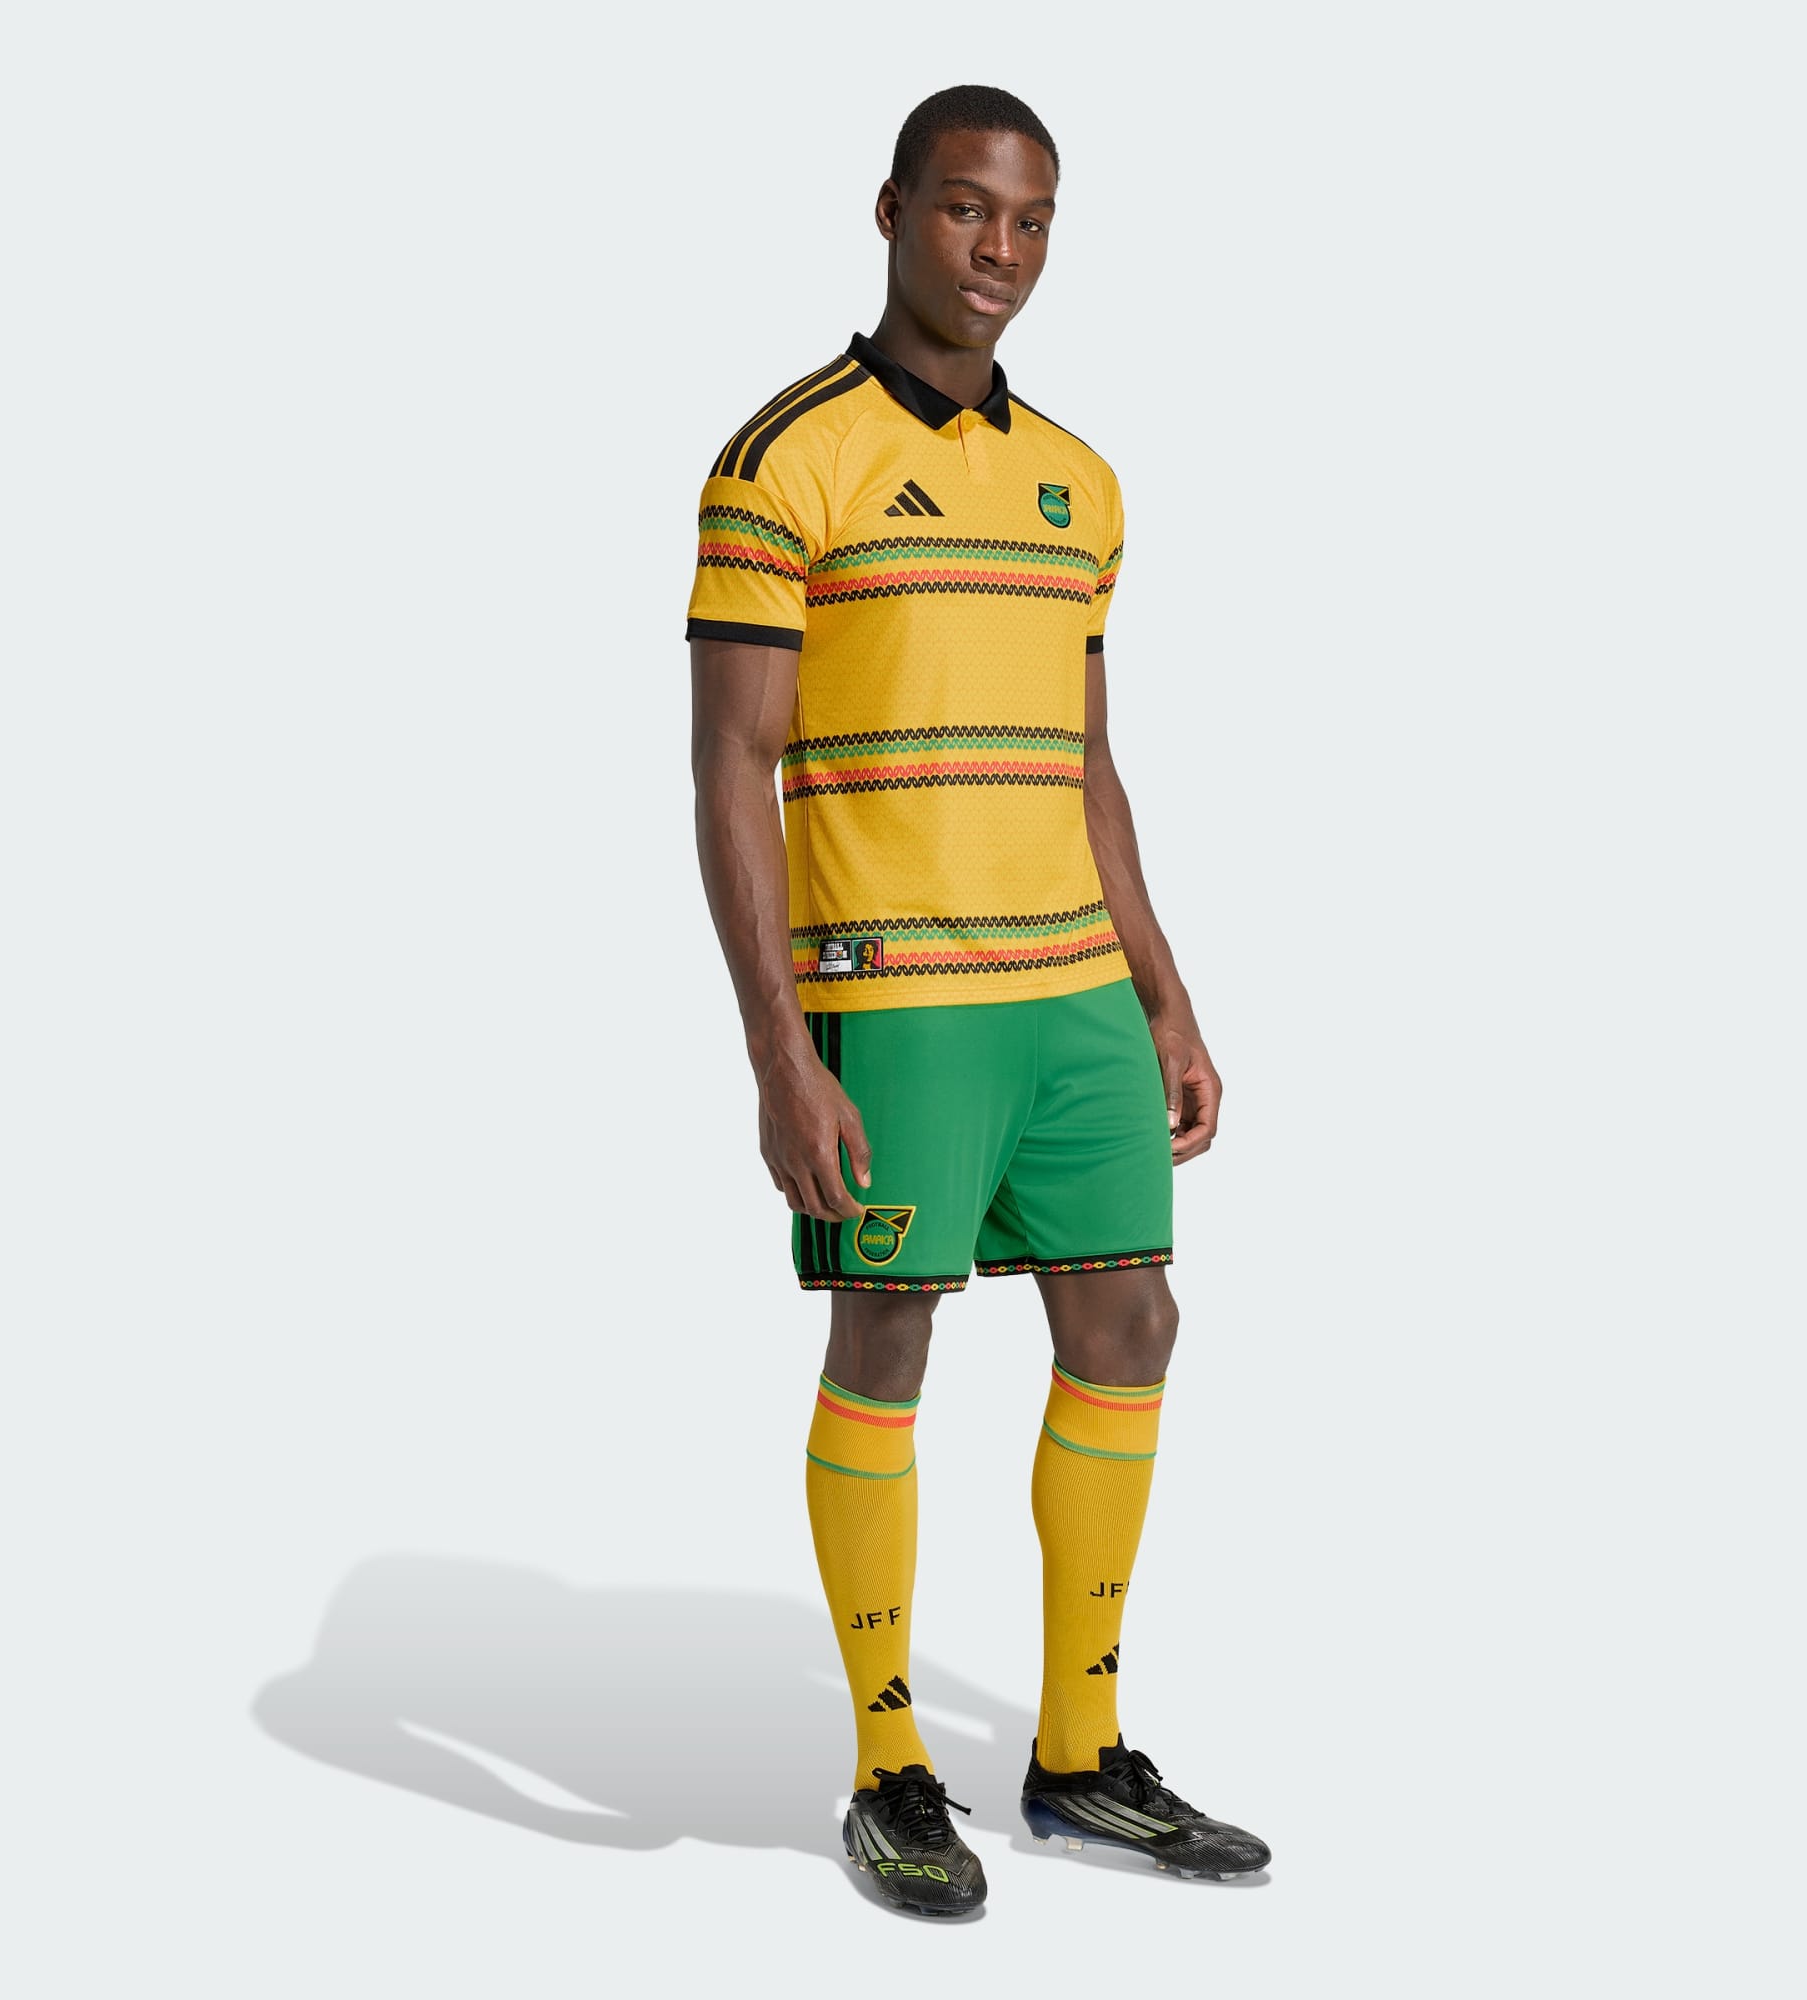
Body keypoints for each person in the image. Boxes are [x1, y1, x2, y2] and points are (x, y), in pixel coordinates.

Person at [686, 84, 1270, 1917]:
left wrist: (1166, 996)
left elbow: (1090, 763)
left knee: (1133, 1324)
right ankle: (887, 1768)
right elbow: (729, 763)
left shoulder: (1081, 483)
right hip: (898, 991)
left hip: (1070, 987)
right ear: (891, 213)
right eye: (965, 210)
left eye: (1029, 218)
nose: (998, 249)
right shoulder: (784, 460)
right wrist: (779, 1052)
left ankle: (1081, 1758)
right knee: (888, 1336)